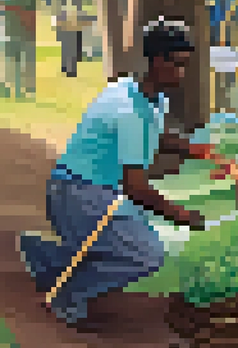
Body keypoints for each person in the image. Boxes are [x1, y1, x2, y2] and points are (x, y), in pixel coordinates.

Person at [17, 20, 212, 326]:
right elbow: (136, 188)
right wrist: (182, 215)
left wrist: (193, 149)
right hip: (77, 194)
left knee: (126, 238)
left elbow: (153, 135)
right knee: (146, 254)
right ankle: (68, 295)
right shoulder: (128, 110)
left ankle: (44, 257)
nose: (182, 73)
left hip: (86, 190)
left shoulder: (143, 94)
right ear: (157, 61)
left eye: (185, 65)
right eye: (176, 64)